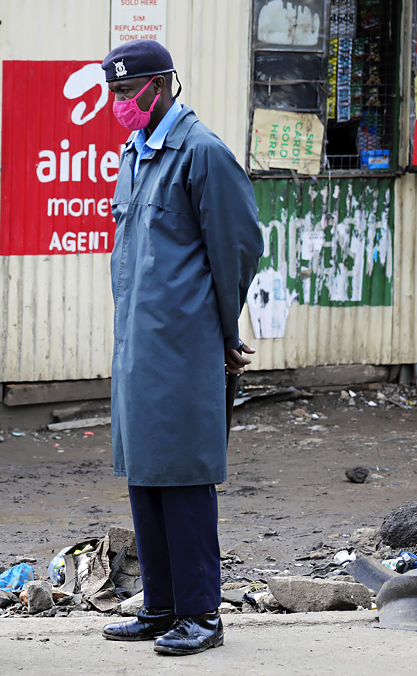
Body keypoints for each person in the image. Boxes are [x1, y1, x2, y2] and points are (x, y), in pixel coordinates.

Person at [99, 40, 264, 656]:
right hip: (139, 347)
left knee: (186, 477)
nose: (118, 104)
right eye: (112, 93)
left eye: (126, 92)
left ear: (163, 84)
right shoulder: (137, 156)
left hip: (186, 345)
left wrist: (223, 331)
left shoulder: (202, 153)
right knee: (147, 473)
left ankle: (200, 613)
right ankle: (160, 605)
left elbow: (238, 248)